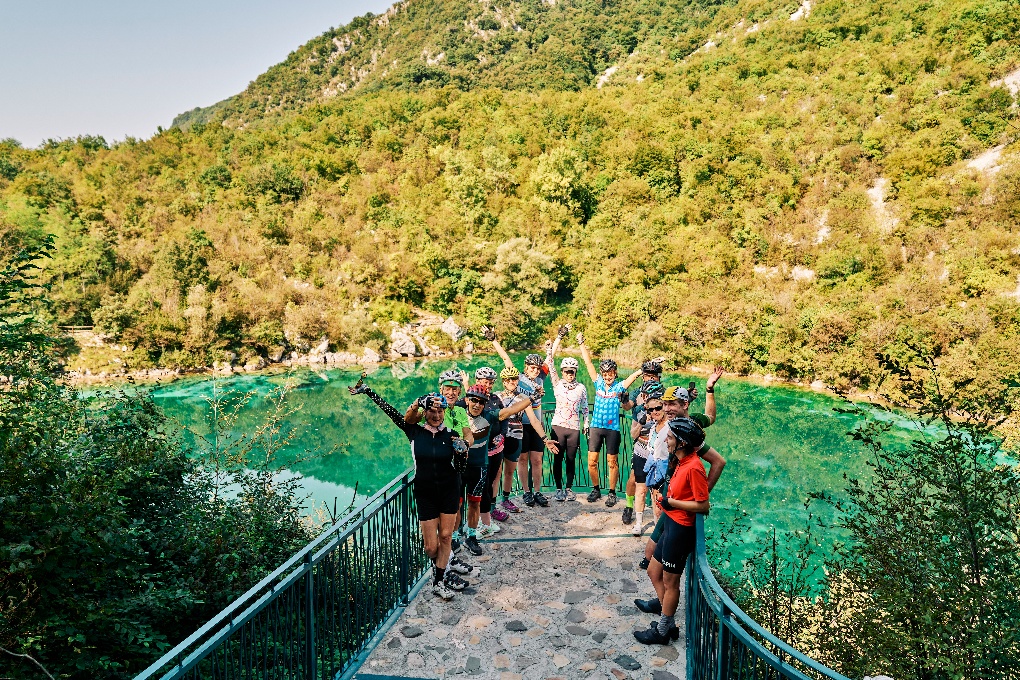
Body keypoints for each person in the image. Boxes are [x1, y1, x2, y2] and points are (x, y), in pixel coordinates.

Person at [348, 379, 474, 600]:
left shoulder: (452, 435)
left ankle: (439, 580)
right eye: (432, 412)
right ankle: (440, 569)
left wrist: (463, 453)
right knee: (430, 546)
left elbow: (461, 468)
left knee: (446, 536)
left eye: (440, 412)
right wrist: (369, 392)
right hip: (425, 492)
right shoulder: (413, 431)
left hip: (449, 490)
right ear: (425, 412)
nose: (436, 416)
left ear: (444, 412)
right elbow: (391, 412)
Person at [634, 416, 711, 645]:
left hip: (680, 529)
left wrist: (672, 503)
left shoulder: (694, 467)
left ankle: (663, 630)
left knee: (671, 582)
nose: (666, 440)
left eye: (670, 437)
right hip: (670, 522)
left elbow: (703, 505)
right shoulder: (680, 461)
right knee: (653, 572)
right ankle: (668, 624)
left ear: (682, 442)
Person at [637, 371, 726, 570]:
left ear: (683, 405)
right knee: (651, 554)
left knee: (657, 558)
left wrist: (700, 496)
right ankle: (660, 596)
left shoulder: (688, 430)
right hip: (667, 493)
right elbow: (709, 416)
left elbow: (718, 461)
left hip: (678, 501)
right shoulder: (671, 422)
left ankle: (663, 598)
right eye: (664, 404)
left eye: (671, 405)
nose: (666, 409)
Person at [461, 383, 553, 555]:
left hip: (480, 466)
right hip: (460, 467)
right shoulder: (458, 413)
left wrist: (531, 399)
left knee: (474, 503)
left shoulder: (489, 416)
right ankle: (453, 538)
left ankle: (471, 537)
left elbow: (510, 411)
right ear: (467, 400)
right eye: (473, 400)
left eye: (481, 402)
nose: (477, 404)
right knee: (457, 503)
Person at [577, 331, 663, 506]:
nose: (608, 376)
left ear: (615, 373)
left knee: (612, 462)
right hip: (596, 427)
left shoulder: (620, 386)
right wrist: (581, 343)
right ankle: (595, 489)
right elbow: (587, 363)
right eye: (605, 373)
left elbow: (636, 375)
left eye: (611, 373)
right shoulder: (597, 382)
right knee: (592, 461)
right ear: (602, 374)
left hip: (613, 429)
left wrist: (650, 364)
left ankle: (611, 492)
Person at [484, 325, 564, 507]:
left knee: (537, 460)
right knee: (522, 459)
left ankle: (537, 491)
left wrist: (558, 337)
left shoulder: (540, 379)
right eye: (531, 367)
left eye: (537, 368)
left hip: (535, 424)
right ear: (525, 367)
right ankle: (526, 492)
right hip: (519, 426)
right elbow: (505, 359)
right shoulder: (517, 378)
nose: (535, 370)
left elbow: (550, 358)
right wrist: (493, 340)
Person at [623, 360, 665, 525]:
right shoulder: (638, 392)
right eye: (648, 375)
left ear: (659, 377)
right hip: (641, 441)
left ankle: (657, 519)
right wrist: (625, 399)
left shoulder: (663, 393)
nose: (651, 379)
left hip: (657, 447)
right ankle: (628, 506)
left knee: (655, 486)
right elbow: (627, 406)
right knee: (634, 478)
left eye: (654, 376)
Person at [548, 356, 589, 501]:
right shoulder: (557, 384)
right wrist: (549, 348)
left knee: (571, 460)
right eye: (566, 372)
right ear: (562, 372)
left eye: (572, 372)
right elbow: (550, 366)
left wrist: (586, 423)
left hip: (574, 428)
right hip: (558, 426)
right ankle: (558, 489)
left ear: (575, 372)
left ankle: (569, 488)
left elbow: (585, 407)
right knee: (558, 459)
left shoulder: (581, 388)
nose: (569, 374)